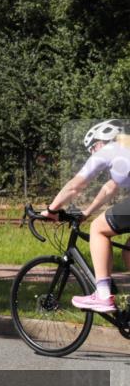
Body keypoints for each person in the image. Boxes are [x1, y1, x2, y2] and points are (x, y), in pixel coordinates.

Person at [41, 119, 130, 312]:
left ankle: (103, 296)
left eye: (92, 147)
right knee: (128, 251)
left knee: (98, 229)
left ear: (102, 140)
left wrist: (51, 209)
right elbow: (110, 188)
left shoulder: (110, 149)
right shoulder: (126, 147)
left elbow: (76, 185)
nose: (92, 153)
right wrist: (86, 213)